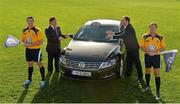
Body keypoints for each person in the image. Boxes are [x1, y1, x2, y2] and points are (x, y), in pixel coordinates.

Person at [106, 16, 143, 81]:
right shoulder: (126, 27)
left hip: (134, 49)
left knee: (137, 63)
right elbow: (121, 33)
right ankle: (128, 74)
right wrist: (113, 33)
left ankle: (140, 77)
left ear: (127, 21)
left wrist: (112, 37)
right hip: (129, 48)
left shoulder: (129, 28)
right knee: (129, 62)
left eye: (122, 20)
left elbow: (122, 36)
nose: (121, 21)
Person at [139, 22, 166, 100]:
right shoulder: (144, 36)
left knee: (157, 74)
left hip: (156, 57)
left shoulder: (160, 37)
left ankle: (158, 92)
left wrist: (155, 52)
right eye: (151, 27)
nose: (152, 29)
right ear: (149, 28)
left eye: (154, 27)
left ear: (156, 28)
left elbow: (163, 47)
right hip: (147, 56)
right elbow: (141, 46)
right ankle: (147, 86)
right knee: (147, 72)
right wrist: (148, 51)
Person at [22, 16, 46, 88]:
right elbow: (23, 40)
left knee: (40, 64)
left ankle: (43, 80)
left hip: (36, 50)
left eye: (31, 21)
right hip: (28, 50)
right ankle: (29, 79)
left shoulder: (37, 30)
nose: (30, 22)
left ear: (34, 21)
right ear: (27, 22)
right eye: (29, 21)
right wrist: (25, 44)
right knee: (30, 64)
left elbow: (41, 42)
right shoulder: (24, 30)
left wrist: (30, 44)